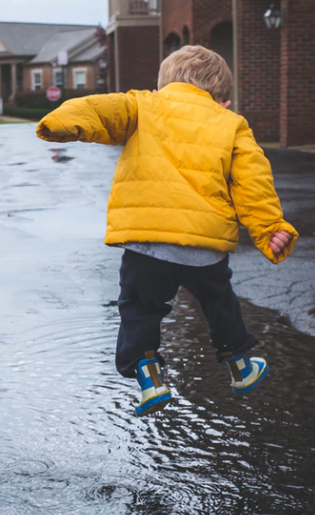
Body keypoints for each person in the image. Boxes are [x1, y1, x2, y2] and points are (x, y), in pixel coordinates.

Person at [36, 45, 298, 417]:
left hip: (147, 244)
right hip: (203, 246)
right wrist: (269, 228)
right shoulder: (231, 123)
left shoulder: (144, 105)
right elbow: (252, 183)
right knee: (220, 302)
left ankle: (149, 376)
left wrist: (61, 122)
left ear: (162, 85)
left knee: (139, 308)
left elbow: (98, 109)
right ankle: (240, 365)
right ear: (220, 97)